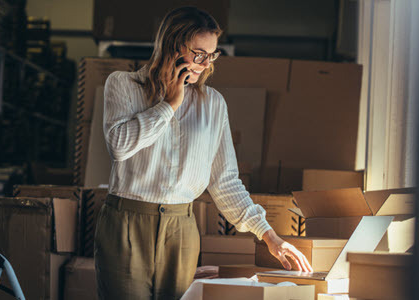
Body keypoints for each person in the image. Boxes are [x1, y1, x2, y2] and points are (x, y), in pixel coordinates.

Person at [94, 6, 313, 300]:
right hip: (126, 225)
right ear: (172, 45)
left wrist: (270, 237)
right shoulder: (123, 85)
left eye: (211, 55)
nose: (204, 63)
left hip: (181, 230)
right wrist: (169, 104)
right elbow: (119, 147)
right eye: (198, 53)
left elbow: (225, 182)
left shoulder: (213, 104)